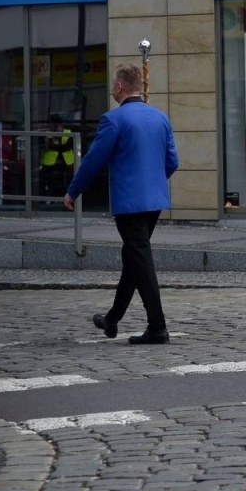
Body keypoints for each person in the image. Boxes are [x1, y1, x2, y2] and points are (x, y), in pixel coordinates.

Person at [66, 64, 178, 345]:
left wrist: (73, 191)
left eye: (112, 83)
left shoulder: (113, 120)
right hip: (154, 201)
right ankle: (112, 318)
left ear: (119, 87)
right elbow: (172, 161)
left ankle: (158, 327)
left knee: (140, 258)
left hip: (129, 202)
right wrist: (152, 181)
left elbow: (93, 160)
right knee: (134, 258)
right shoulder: (160, 117)